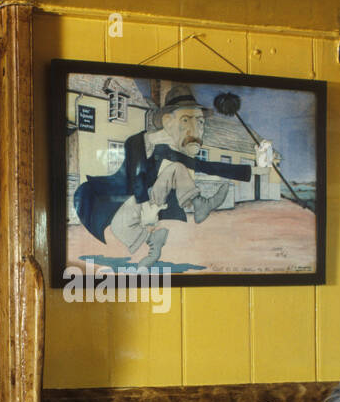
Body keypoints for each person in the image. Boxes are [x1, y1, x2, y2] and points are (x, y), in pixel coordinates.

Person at [73, 85, 254, 267]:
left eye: (200, 122)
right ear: (168, 122)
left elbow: (204, 165)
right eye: (186, 120)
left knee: (176, 167)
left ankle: (200, 204)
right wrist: (144, 206)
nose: (196, 130)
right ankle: (153, 243)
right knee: (119, 226)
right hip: (134, 202)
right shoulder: (139, 142)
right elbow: (134, 173)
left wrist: (250, 170)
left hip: (157, 201)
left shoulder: (170, 151)